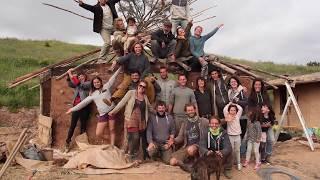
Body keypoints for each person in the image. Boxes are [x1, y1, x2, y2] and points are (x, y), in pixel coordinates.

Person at [66, 68, 121, 146]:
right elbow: (82, 103)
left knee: (112, 129)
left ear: (101, 82)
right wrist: (72, 109)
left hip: (111, 111)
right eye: (95, 83)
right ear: (93, 84)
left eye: (98, 82)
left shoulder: (106, 86)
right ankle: (110, 140)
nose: (96, 84)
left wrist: (120, 68)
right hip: (103, 114)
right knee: (98, 133)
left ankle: (112, 145)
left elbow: (114, 77)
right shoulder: (92, 94)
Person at [108, 80, 154, 161]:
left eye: (144, 87)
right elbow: (122, 103)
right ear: (138, 85)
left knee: (136, 139)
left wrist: (158, 112)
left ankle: (133, 155)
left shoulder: (145, 97)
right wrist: (113, 111)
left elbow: (149, 107)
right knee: (134, 137)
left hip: (141, 121)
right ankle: (130, 154)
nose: (142, 88)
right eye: (140, 86)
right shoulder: (131, 93)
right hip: (131, 119)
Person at [64, 69, 91, 152]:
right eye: (79, 77)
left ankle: (82, 146)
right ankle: (67, 143)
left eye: (82, 76)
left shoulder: (88, 84)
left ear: (85, 77)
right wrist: (68, 76)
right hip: (76, 107)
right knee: (72, 126)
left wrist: (70, 73)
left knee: (83, 127)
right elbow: (70, 84)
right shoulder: (77, 85)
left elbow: (80, 84)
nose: (80, 77)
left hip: (84, 108)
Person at [223, 103, 243, 171]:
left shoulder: (237, 116)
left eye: (234, 110)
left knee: (237, 150)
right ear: (229, 111)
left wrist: (235, 104)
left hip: (237, 135)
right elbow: (225, 109)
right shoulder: (227, 116)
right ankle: (230, 163)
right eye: (231, 110)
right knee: (231, 150)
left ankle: (238, 163)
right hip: (230, 136)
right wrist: (229, 104)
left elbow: (240, 108)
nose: (233, 111)